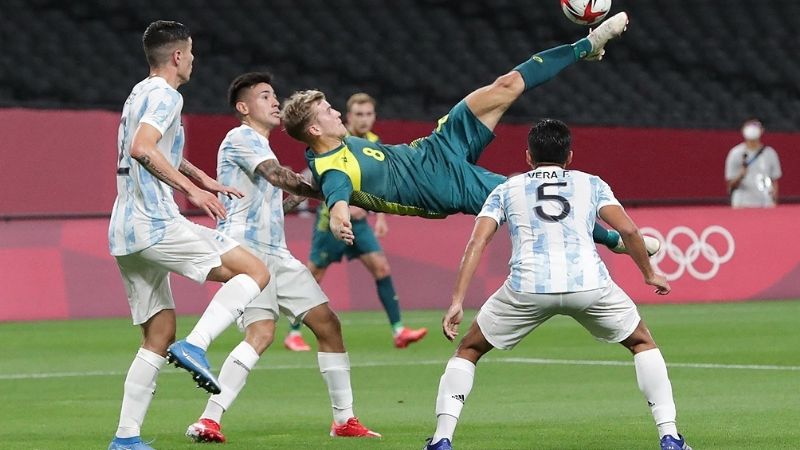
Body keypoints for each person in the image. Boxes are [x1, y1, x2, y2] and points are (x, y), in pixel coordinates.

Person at [280, 12, 658, 257]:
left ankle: (586, 46)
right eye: (327, 112)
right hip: (443, 187)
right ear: (315, 129)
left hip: (433, 147)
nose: (335, 111)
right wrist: (339, 218)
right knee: (530, 196)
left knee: (505, 85)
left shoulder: (320, 153)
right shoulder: (334, 173)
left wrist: (297, 189)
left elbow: (314, 175)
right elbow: (337, 196)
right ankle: (615, 241)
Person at [423, 119, 691, 450]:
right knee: (642, 343)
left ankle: (441, 439)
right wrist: (648, 273)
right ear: (570, 157)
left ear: (527, 157)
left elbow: (477, 243)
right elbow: (631, 232)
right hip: (589, 285)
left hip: (528, 287)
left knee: (469, 349)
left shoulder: (507, 188)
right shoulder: (591, 184)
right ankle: (669, 437)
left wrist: (457, 301)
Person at [184, 72, 380, 443]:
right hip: (247, 253)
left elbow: (282, 198)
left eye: (274, 95)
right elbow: (279, 178)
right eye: (264, 96)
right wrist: (332, 190)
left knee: (328, 325)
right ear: (243, 108)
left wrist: (319, 189)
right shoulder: (240, 137)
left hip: (277, 253)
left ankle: (344, 420)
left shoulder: (261, 144)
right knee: (262, 333)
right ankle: (209, 419)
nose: (274, 101)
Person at [107, 22, 271, 450]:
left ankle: (126, 438)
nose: (195, 60)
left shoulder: (138, 92)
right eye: (192, 53)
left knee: (157, 334)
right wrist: (193, 191)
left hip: (124, 231)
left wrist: (202, 178)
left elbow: (160, 151)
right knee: (253, 271)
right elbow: (144, 148)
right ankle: (197, 346)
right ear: (178, 56)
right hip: (155, 222)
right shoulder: (167, 95)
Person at [283, 93, 427, 352]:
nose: (364, 119)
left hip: (360, 225)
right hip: (332, 223)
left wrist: (380, 216)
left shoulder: (373, 142)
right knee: (313, 276)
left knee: (381, 269)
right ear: (348, 117)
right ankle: (293, 333)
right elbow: (327, 178)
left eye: (368, 114)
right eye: (358, 114)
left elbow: (380, 182)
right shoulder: (333, 138)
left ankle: (399, 330)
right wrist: (343, 207)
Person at [725, 118, 782, 208]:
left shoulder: (770, 153)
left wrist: (774, 200)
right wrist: (741, 175)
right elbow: (730, 185)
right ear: (743, 130)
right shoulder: (735, 153)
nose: (752, 129)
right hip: (742, 204)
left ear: (762, 130)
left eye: (755, 125)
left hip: (765, 203)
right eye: (749, 125)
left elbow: (774, 181)